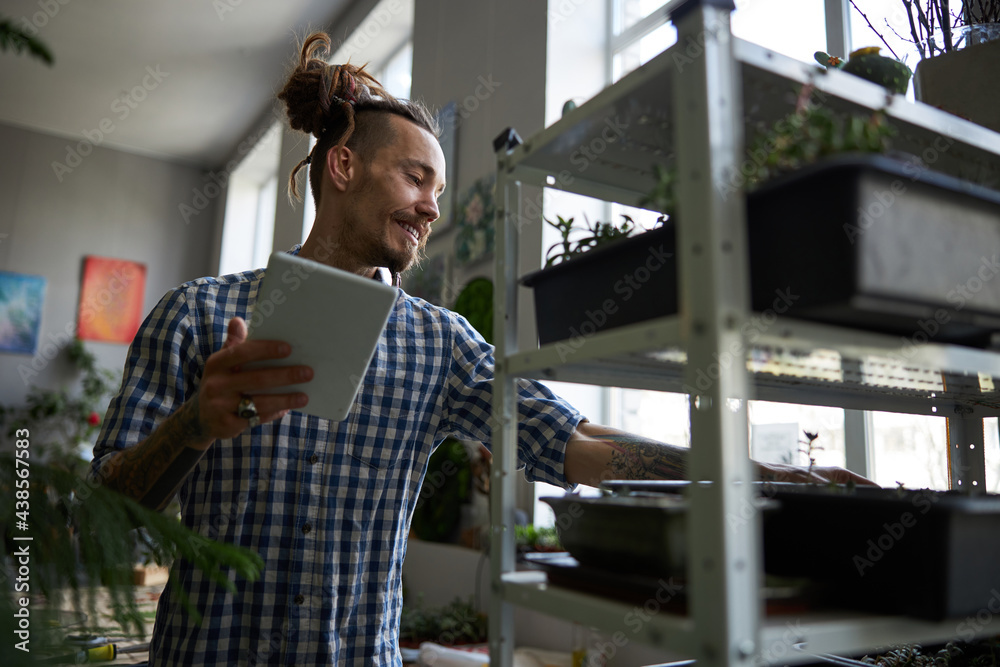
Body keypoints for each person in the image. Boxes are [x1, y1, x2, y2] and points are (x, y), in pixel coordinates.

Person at [91, 32, 869, 666]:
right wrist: (196, 422)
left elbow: (579, 443)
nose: (433, 206)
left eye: (437, 187)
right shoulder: (194, 315)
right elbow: (105, 517)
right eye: (416, 177)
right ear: (344, 164)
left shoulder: (442, 343)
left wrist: (774, 475)